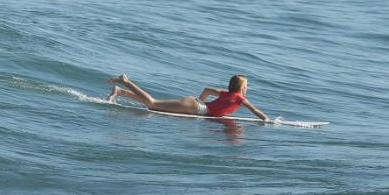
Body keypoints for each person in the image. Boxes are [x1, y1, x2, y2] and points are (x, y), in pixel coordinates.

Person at [106, 73, 270, 122]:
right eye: (247, 86)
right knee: (153, 103)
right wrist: (268, 121)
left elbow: (207, 90)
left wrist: (200, 101)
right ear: (242, 88)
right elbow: (255, 110)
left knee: (153, 106)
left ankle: (121, 92)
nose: (247, 88)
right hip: (195, 108)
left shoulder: (227, 93)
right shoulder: (239, 99)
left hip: (196, 105)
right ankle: (125, 81)